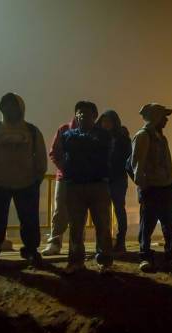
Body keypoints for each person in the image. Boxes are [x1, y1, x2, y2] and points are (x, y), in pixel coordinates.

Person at [0, 92, 47, 267]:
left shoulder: (32, 131)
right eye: (7, 105)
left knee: (29, 219)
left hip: (27, 182)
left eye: (13, 105)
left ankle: (31, 250)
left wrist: (37, 176)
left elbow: (40, 155)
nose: (10, 109)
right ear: (2, 108)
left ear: (20, 109)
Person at [60, 101, 114, 274]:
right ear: (75, 115)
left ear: (94, 116)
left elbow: (101, 149)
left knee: (103, 225)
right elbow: (64, 151)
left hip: (97, 185)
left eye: (87, 112)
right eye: (79, 112)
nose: (82, 115)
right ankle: (76, 261)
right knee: (75, 226)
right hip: (74, 186)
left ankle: (104, 261)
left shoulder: (103, 136)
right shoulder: (67, 135)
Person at [131, 103, 172, 272]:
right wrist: (143, 187)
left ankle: (171, 258)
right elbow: (137, 164)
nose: (166, 120)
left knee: (171, 225)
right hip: (152, 188)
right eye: (163, 116)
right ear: (155, 117)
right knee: (147, 225)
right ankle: (145, 257)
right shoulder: (143, 136)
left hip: (166, 187)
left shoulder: (161, 137)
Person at [41, 113, 77, 256]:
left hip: (83, 179)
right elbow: (54, 152)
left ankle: (76, 245)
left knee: (79, 213)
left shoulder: (93, 132)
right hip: (64, 177)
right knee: (60, 211)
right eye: (80, 112)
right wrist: (65, 168)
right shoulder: (64, 129)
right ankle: (55, 243)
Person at [96, 110, 131, 253]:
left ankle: (120, 241)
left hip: (118, 179)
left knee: (119, 210)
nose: (106, 124)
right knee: (102, 212)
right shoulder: (97, 137)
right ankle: (105, 242)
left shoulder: (122, 138)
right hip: (102, 179)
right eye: (104, 121)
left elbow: (128, 159)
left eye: (109, 121)